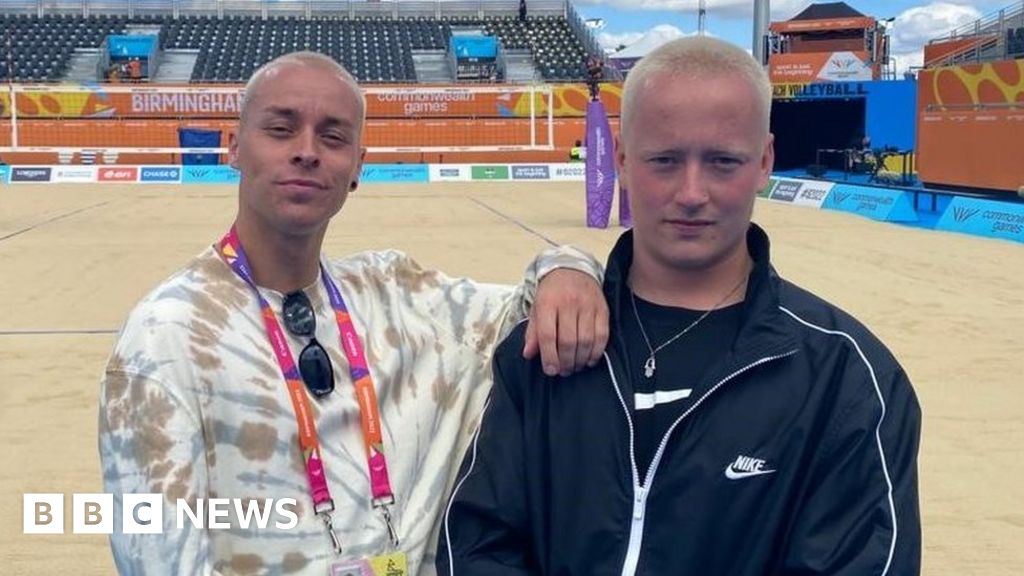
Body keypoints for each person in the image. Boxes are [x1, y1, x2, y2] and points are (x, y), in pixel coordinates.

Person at [99, 51, 609, 575]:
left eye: (333, 137)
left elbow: (527, 308)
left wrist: (567, 268)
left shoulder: (396, 296)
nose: (306, 152)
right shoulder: (167, 336)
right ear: (234, 147)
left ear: (358, 167)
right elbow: (160, 561)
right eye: (280, 129)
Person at [439, 36, 921, 575]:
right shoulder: (541, 350)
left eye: (722, 162)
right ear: (621, 159)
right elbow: (479, 545)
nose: (692, 192)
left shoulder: (847, 378)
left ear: (764, 162)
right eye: (665, 160)